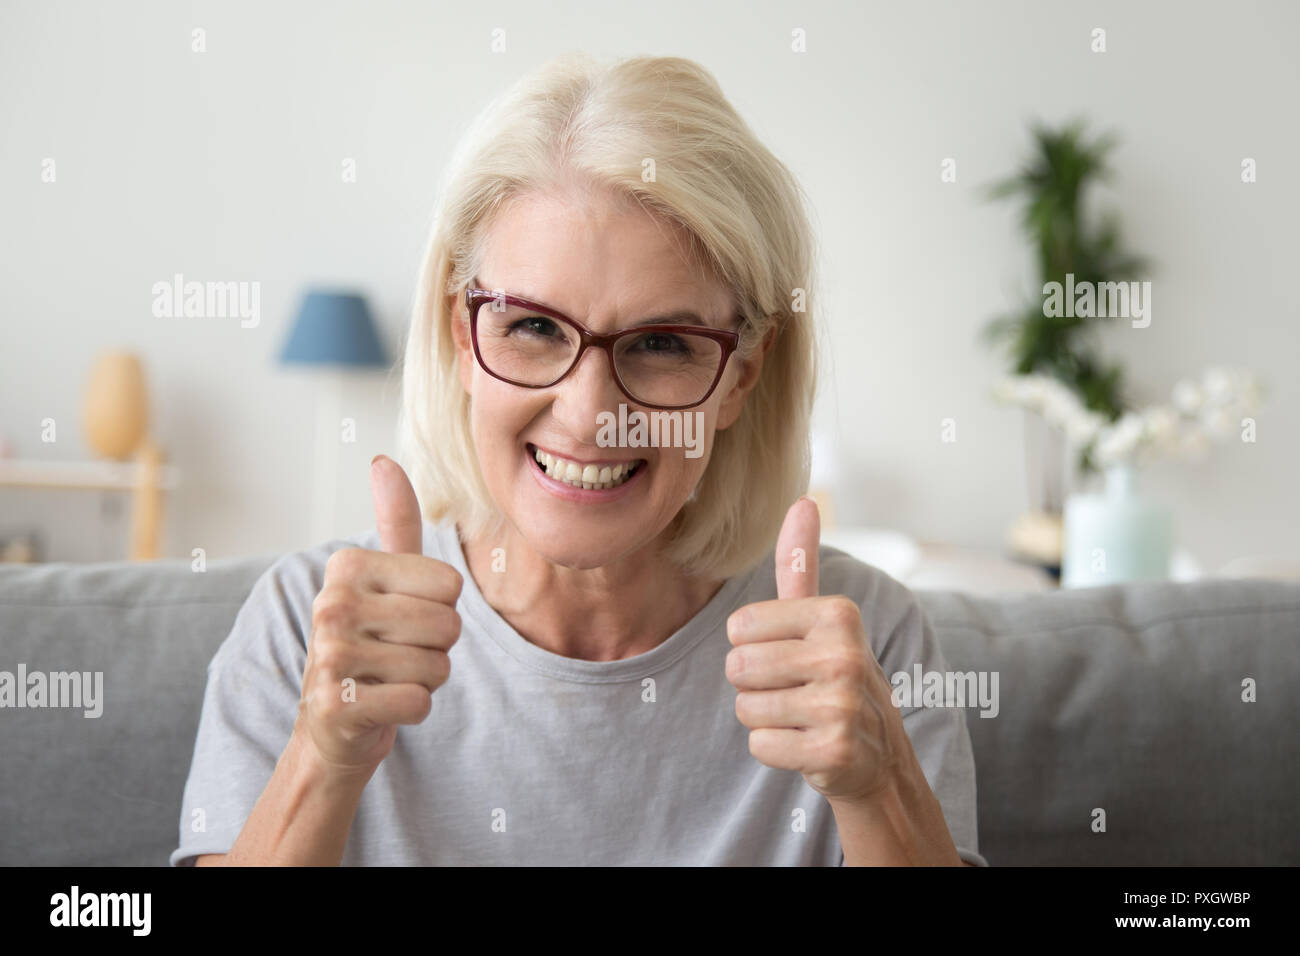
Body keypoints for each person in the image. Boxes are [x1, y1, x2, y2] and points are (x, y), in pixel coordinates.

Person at [172, 53, 986, 866]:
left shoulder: (865, 642)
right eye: (532, 327)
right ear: (462, 334)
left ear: (743, 372)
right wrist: (324, 758)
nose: (591, 413)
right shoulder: (304, 626)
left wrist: (879, 793)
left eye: (662, 343)